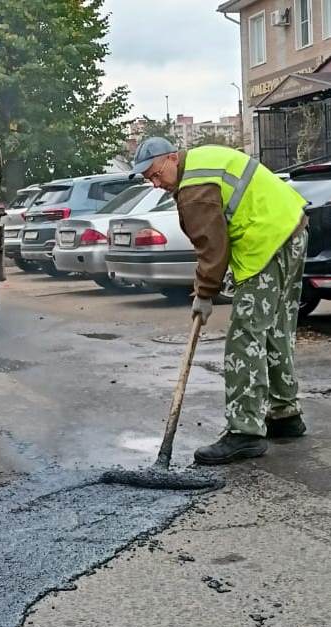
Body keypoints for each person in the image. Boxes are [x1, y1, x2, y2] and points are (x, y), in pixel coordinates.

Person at [131, 137, 308, 465]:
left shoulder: (194, 188)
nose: (156, 184)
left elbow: (212, 249)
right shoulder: (200, 161)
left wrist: (204, 294)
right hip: (291, 228)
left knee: (245, 337)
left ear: (172, 157)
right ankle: (284, 414)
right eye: (148, 179)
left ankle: (245, 432)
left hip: (266, 241)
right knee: (275, 330)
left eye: (156, 174)